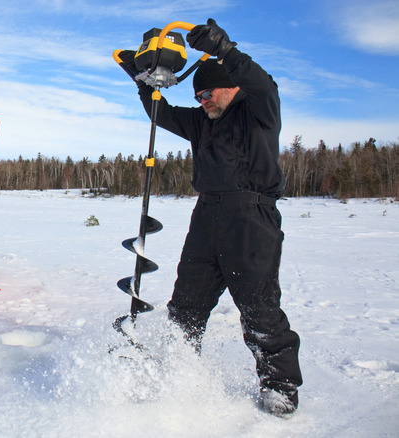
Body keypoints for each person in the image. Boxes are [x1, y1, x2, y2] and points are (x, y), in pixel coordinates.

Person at [131, 19, 303, 416]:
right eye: (198, 94)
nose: (203, 99)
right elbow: (161, 112)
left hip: (251, 219)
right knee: (186, 304)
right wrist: (142, 83)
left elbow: (264, 84)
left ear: (232, 88)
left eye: (209, 92)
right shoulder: (200, 122)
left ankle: (279, 387)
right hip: (206, 217)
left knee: (259, 308)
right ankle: (178, 368)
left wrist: (225, 50)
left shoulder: (258, 112)